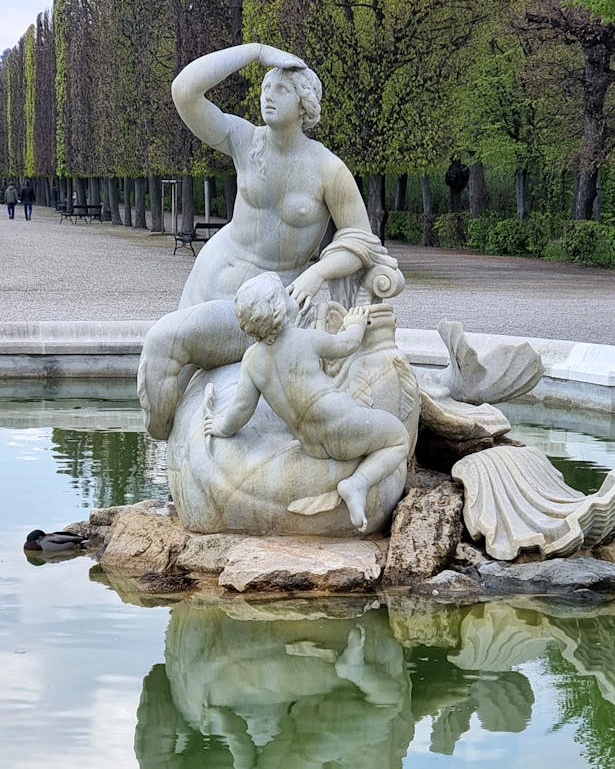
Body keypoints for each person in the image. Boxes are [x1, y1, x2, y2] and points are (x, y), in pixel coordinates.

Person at [139, 42, 400, 440]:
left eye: (281, 89)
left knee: (162, 342)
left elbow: (360, 241)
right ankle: (168, 443)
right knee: (168, 362)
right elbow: (184, 91)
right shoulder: (245, 141)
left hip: (260, 308)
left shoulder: (328, 168)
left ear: (305, 104)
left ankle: (165, 437)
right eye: (265, 86)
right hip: (207, 282)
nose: (267, 94)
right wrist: (255, 51)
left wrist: (316, 274)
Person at [202, 273, 411, 532]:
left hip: (312, 443)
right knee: (399, 438)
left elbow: (241, 409)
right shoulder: (303, 339)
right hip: (341, 423)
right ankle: (358, 483)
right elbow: (346, 344)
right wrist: (355, 323)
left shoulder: (252, 360)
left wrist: (222, 427)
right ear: (280, 306)